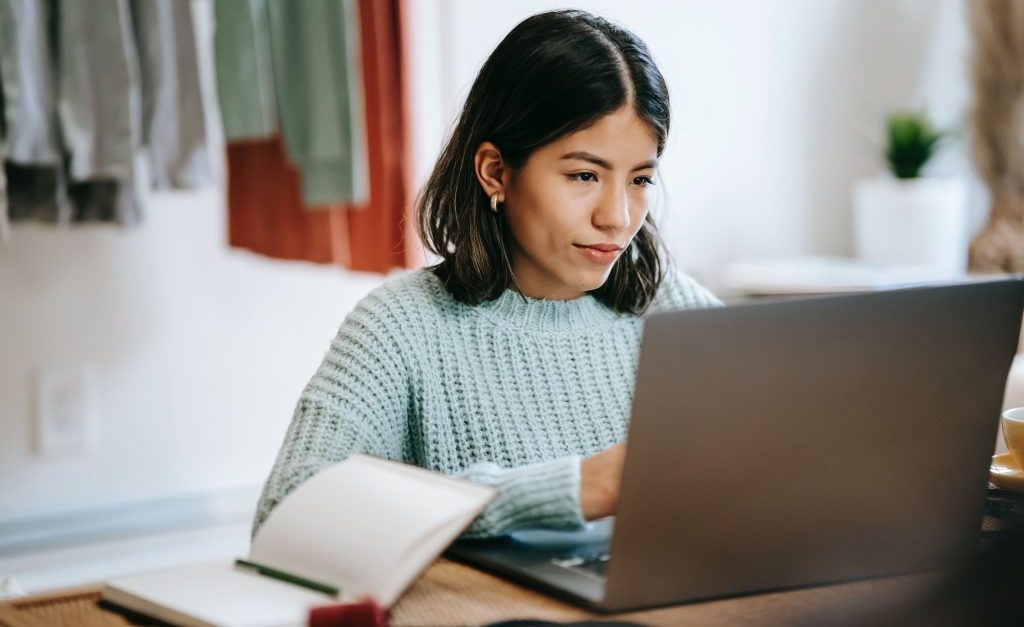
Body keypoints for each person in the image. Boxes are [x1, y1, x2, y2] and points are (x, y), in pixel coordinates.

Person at [251, 9, 722, 541]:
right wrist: (567, 489)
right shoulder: (401, 328)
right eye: (584, 175)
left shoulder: (676, 310)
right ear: (496, 171)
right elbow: (284, 516)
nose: (616, 216)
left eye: (639, 179)